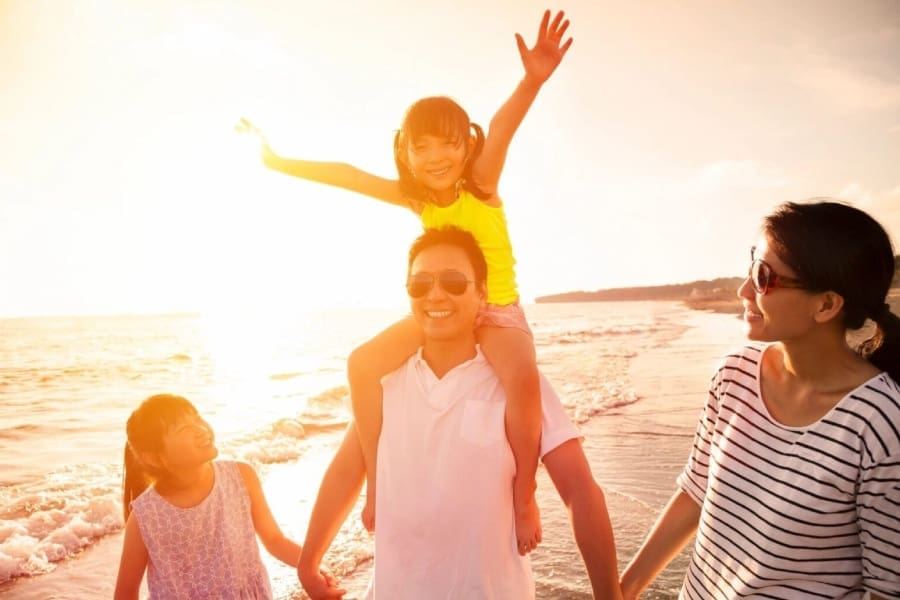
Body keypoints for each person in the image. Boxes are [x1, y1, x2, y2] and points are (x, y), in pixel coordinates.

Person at [237, 10, 573, 553]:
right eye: (421, 148)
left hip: (498, 310)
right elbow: (347, 175)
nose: (435, 158)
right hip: (440, 309)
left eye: (446, 145)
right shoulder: (415, 197)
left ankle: (524, 496)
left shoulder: (481, 185)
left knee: (522, 380)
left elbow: (505, 126)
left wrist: (532, 78)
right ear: (406, 153)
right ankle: (376, 474)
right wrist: (277, 162)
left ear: (466, 147)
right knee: (362, 363)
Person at [296, 226, 622, 599]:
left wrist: (609, 595)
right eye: (420, 284)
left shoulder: (518, 384)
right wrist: (309, 562)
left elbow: (580, 490)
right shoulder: (386, 384)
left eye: (454, 281)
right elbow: (345, 471)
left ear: (481, 293)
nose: (436, 294)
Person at [620, 200, 900, 599]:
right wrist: (623, 589)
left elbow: (887, 588)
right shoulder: (735, 374)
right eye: (752, 264)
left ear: (826, 305)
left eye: (763, 276)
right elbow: (696, 492)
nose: (743, 290)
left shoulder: (881, 425)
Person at [113, 394, 314, 599]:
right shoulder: (146, 517)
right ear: (155, 457)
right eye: (184, 429)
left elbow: (274, 539)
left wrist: (313, 566)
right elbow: (125, 593)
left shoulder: (241, 477)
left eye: (197, 419)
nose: (200, 430)